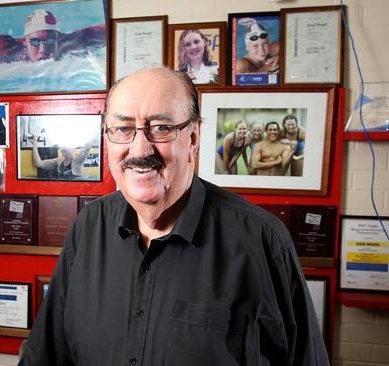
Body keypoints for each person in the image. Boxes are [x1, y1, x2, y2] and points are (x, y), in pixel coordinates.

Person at [19, 67, 328, 365]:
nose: (140, 148)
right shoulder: (89, 226)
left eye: (161, 128)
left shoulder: (262, 240)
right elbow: (46, 353)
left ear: (193, 138)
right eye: (123, 129)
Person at [0, 8, 106, 63]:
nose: (43, 51)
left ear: (58, 38)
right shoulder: (4, 48)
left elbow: (114, 29)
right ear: (25, 40)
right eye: (35, 42)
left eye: (50, 42)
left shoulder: (73, 42)